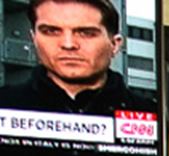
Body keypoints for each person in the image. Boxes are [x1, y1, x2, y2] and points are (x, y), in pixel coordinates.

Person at [0, 0, 157, 114]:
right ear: (34, 39)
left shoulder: (153, 115)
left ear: (114, 45)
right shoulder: (5, 104)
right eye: (51, 31)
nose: (68, 44)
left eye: (86, 33)